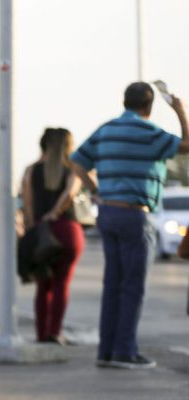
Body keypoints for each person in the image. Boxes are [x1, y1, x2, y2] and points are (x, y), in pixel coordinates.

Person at [71, 82, 189, 369]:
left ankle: (107, 350)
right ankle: (125, 351)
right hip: (135, 215)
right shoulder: (149, 133)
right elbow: (186, 146)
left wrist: (96, 190)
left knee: (113, 284)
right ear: (149, 106)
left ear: (124, 102)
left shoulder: (107, 129)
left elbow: (76, 163)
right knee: (132, 287)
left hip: (108, 213)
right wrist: (180, 111)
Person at [21, 128, 85, 345]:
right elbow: (71, 193)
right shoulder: (73, 169)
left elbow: (27, 206)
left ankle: (41, 334)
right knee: (61, 284)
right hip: (67, 230)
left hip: (41, 231)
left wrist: (35, 226)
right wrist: (56, 212)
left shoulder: (31, 171)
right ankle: (55, 332)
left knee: (43, 285)